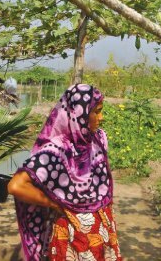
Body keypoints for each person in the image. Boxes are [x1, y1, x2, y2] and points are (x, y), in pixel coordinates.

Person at [8, 83, 122, 261]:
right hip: (72, 232)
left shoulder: (98, 140)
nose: (101, 117)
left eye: (101, 110)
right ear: (79, 114)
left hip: (101, 228)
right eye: (96, 111)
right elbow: (17, 186)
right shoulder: (56, 151)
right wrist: (54, 204)